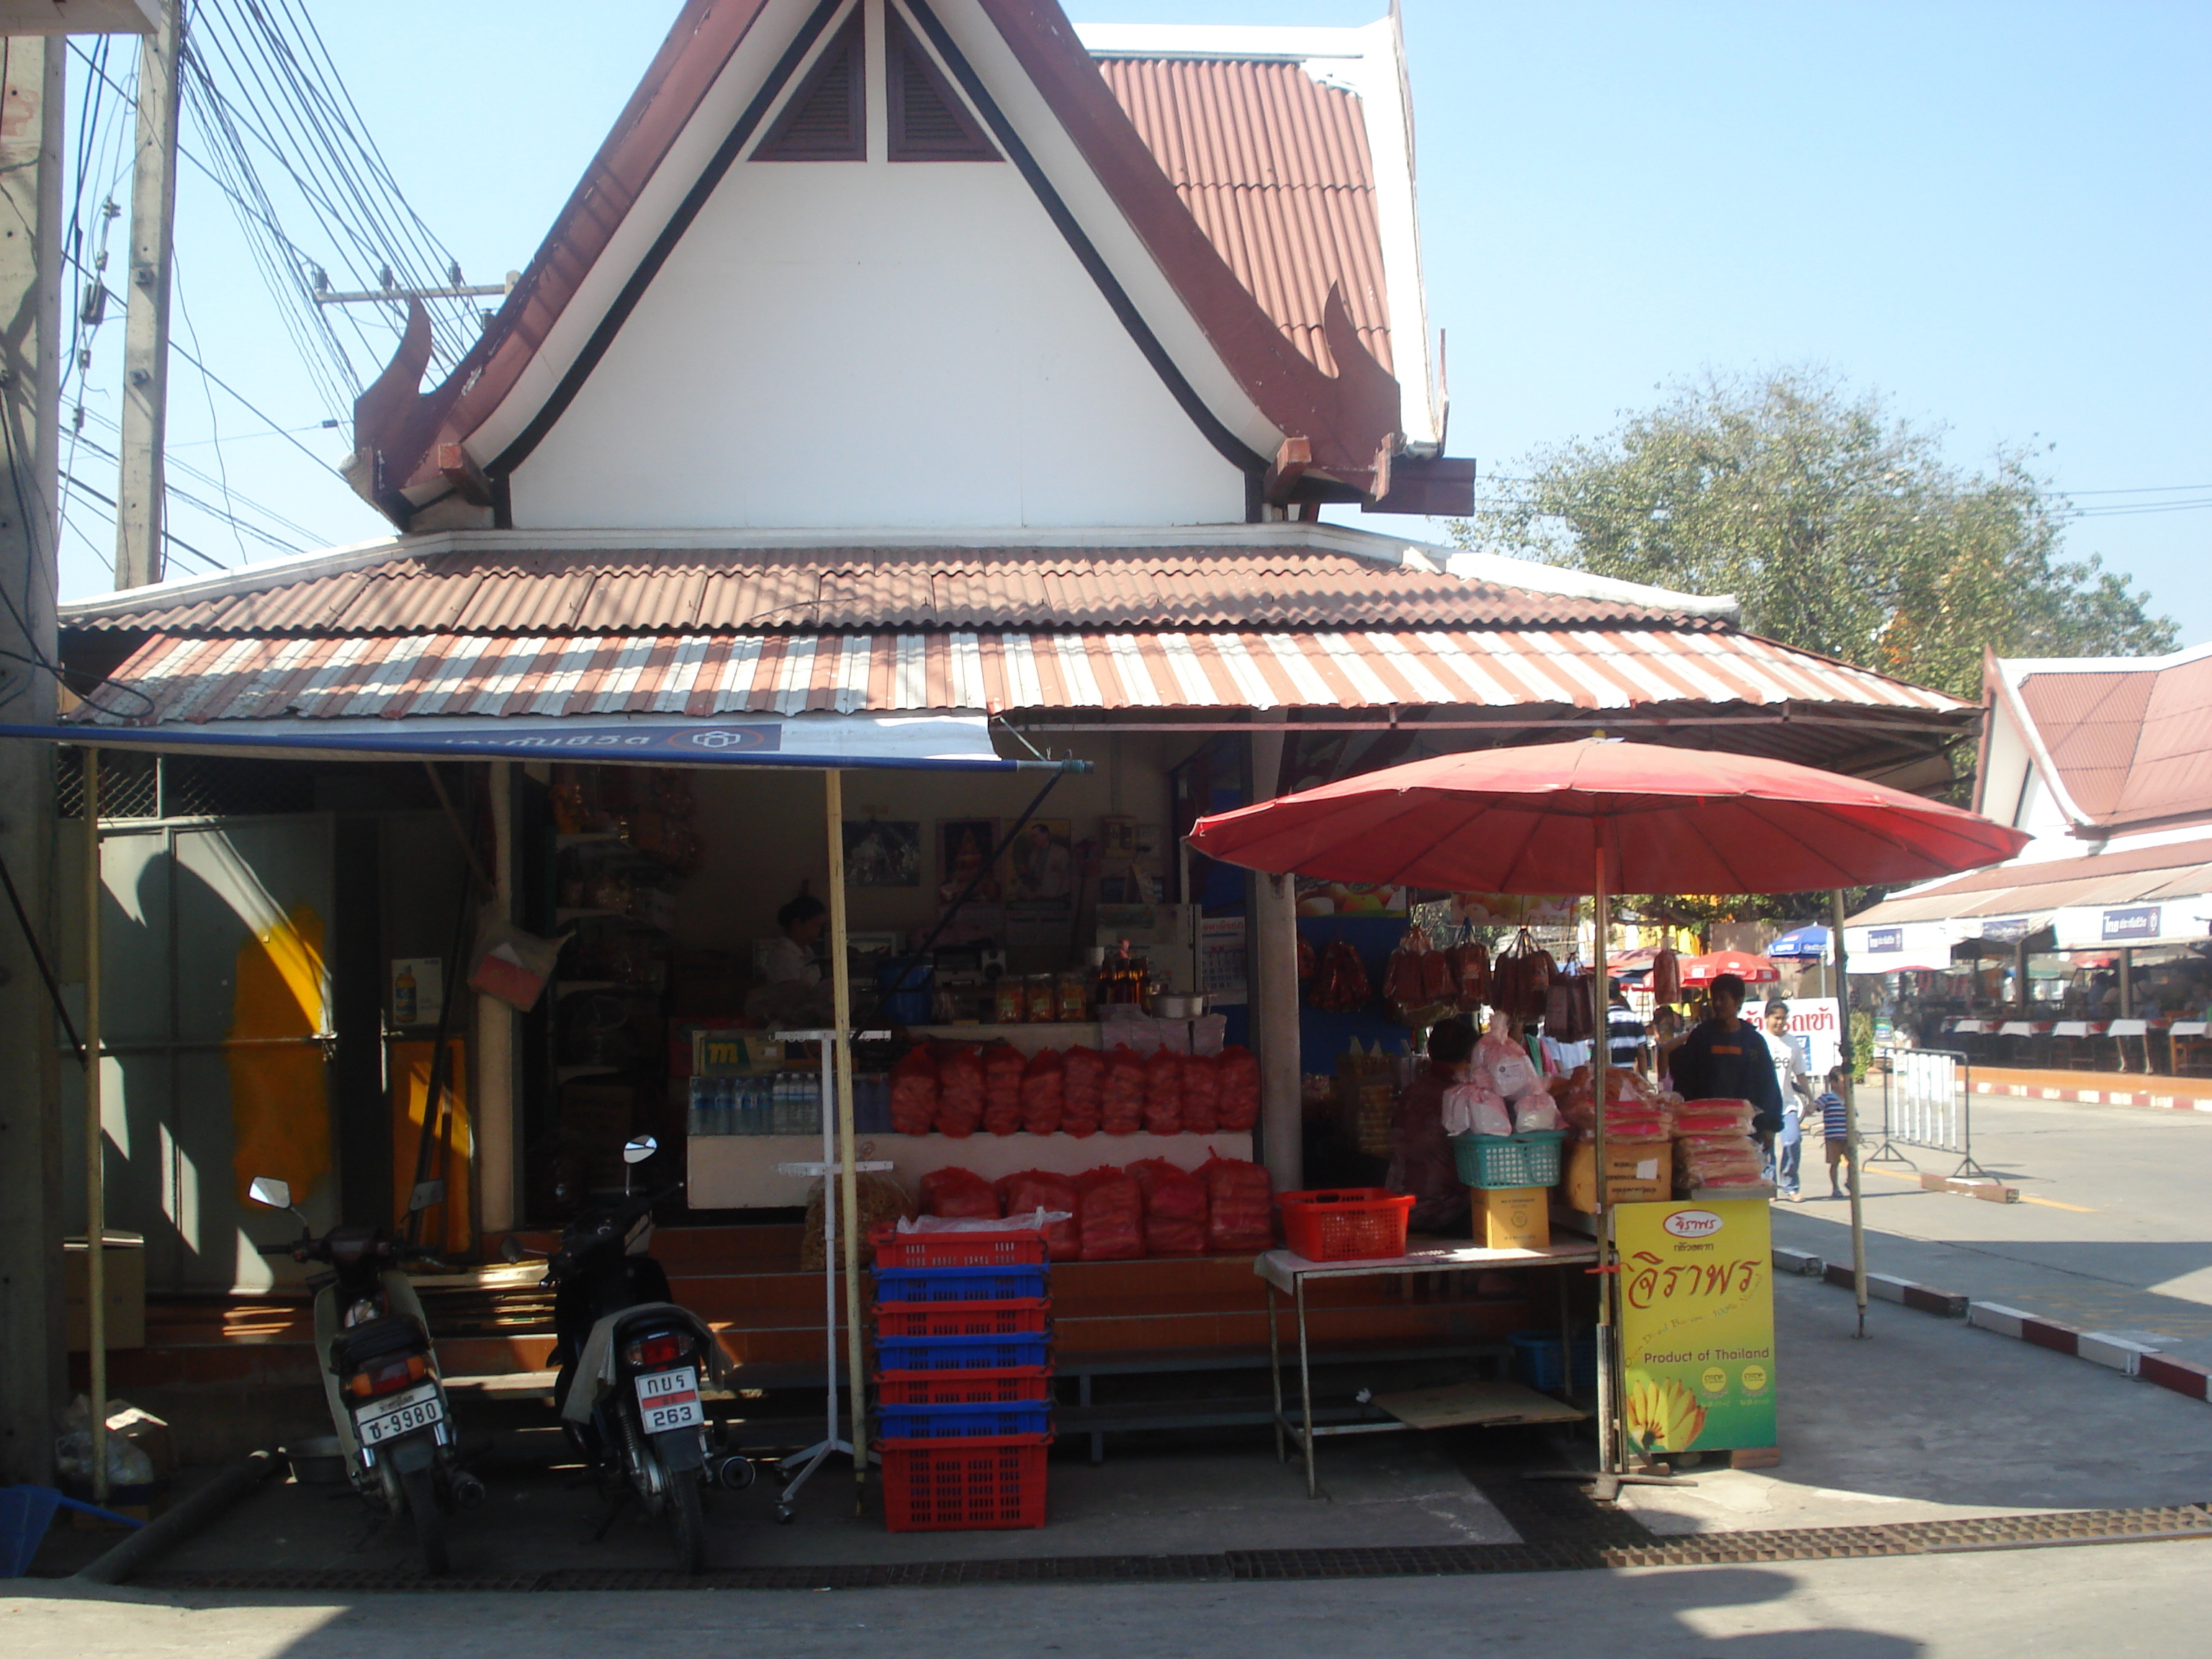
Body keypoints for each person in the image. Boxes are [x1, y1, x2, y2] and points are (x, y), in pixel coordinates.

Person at [1666, 974, 1784, 1149]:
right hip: (1705, 1130)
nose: (1718, 1004)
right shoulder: (1701, 1037)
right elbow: (1685, 1080)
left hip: (1745, 1130)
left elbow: (1768, 1085)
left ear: (1739, 1001)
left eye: (1723, 999)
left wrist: (1769, 1126)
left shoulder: (1753, 1041)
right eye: (1715, 999)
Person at [1388, 1017, 1477, 1236]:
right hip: (1440, 1211)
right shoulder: (1461, 1097)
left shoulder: (1412, 1091)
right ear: (1471, 1056)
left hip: (1396, 1205)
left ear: (1429, 1050)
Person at [1762, 997, 1813, 1199]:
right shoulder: (1760, 1040)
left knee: (1792, 1140)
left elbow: (1800, 1073)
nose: (1780, 1023)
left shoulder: (1792, 1042)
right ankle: (1769, 1184)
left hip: (1786, 1104)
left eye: (1784, 1019)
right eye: (1776, 1018)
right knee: (1766, 1146)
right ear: (1766, 1018)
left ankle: (1790, 1183)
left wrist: (1810, 1098)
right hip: (1765, 1104)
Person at [763, 891, 827, 985]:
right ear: (797, 923)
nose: (818, 931)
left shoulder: (807, 951)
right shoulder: (783, 956)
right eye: (816, 925)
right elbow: (792, 995)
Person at [1816, 1065, 1853, 1200]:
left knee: (1852, 1160)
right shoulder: (1828, 1098)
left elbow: (1854, 1116)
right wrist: (1810, 1108)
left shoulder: (1849, 1099)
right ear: (1834, 1083)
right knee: (1834, 1163)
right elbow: (1817, 1105)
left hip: (1847, 1136)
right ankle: (1835, 1187)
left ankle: (1850, 1181)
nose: (1847, 1085)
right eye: (1844, 1082)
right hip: (1833, 1137)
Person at [1606, 979, 1648, 1073]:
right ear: (1619, 994)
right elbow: (1641, 1053)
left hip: (1606, 1075)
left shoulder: (1600, 1019)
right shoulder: (1634, 1018)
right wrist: (1643, 1078)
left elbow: (1594, 1052)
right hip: (1628, 1074)